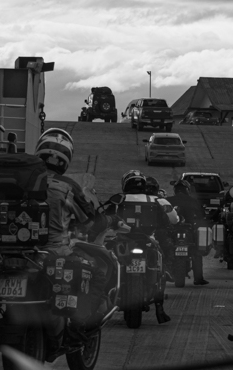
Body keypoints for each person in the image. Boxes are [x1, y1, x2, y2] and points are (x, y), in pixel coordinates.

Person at [34, 128, 112, 324]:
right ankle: (81, 327)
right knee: (97, 276)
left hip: (22, 254)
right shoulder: (67, 186)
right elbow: (90, 221)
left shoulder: (24, 181)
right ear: (66, 159)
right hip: (55, 252)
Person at [117, 171, 176, 323]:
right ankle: (159, 305)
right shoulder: (156, 200)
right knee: (160, 269)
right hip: (148, 240)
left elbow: (105, 217)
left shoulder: (119, 199)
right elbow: (169, 220)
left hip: (124, 241)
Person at [171, 180, 209, 285]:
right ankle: (198, 278)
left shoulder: (168, 200)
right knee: (197, 252)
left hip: (173, 231)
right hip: (189, 230)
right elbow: (201, 215)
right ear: (187, 190)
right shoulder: (193, 201)